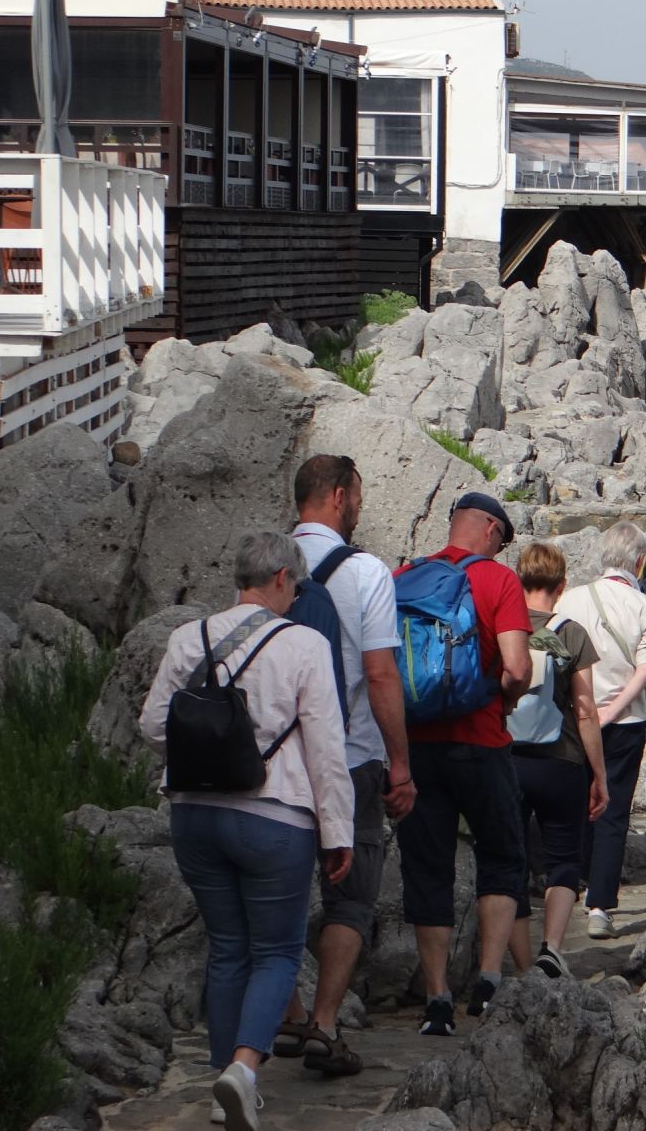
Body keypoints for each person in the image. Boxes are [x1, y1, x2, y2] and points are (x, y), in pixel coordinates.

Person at [139, 531, 354, 1131]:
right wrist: (337, 833)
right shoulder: (305, 644)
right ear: (282, 578)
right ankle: (242, 1071)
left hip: (194, 816)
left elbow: (153, 724)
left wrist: (207, 751)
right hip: (274, 817)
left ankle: (219, 1089)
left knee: (227, 947)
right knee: (278, 952)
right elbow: (327, 752)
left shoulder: (190, 638)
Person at [270, 455, 414, 1076]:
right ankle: (325, 1024)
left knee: (275, 895)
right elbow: (380, 673)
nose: (361, 506)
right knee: (348, 898)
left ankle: (291, 1013)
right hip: (350, 757)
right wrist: (400, 764)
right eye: (358, 495)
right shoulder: (365, 572)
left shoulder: (265, 568)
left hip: (274, 765)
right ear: (336, 497)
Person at [395, 493, 531, 1036]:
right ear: (493, 532)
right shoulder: (499, 582)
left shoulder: (403, 575)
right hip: (482, 742)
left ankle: (436, 998)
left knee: (426, 867)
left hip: (417, 744)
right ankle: (489, 980)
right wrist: (495, 696)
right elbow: (518, 668)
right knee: (501, 854)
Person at [554, 521, 646, 940]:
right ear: (639, 560)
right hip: (625, 722)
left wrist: (584, 711)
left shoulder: (571, 600)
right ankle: (600, 905)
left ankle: (567, 884)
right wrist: (611, 711)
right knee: (613, 811)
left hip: (571, 717)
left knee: (572, 805)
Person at [506, 542, 608, 978]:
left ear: (519, 580)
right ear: (562, 585)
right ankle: (550, 950)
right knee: (563, 857)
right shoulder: (571, 633)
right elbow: (585, 709)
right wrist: (598, 773)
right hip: (561, 759)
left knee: (507, 859)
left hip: (506, 758)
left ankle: (520, 963)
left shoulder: (501, 627)